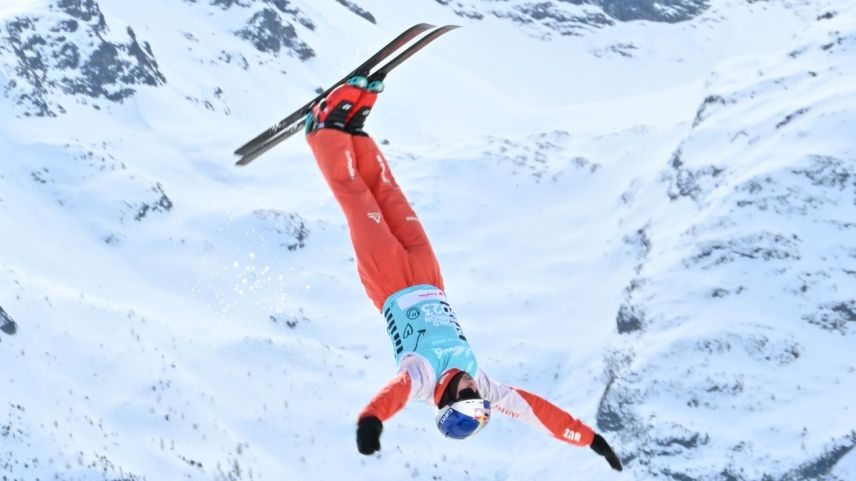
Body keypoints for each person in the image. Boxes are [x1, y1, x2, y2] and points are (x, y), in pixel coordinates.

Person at [304, 75, 623, 471]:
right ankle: (354, 133)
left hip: (390, 282)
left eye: (468, 395)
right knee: (388, 194)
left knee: (359, 201)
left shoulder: (421, 378)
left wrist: (371, 419)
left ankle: (324, 130)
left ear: (448, 400)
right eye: (478, 397)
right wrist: (590, 440)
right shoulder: (481, 382)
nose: (475, 389)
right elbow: (536, 413)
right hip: (429, 277)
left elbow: (393, 395)